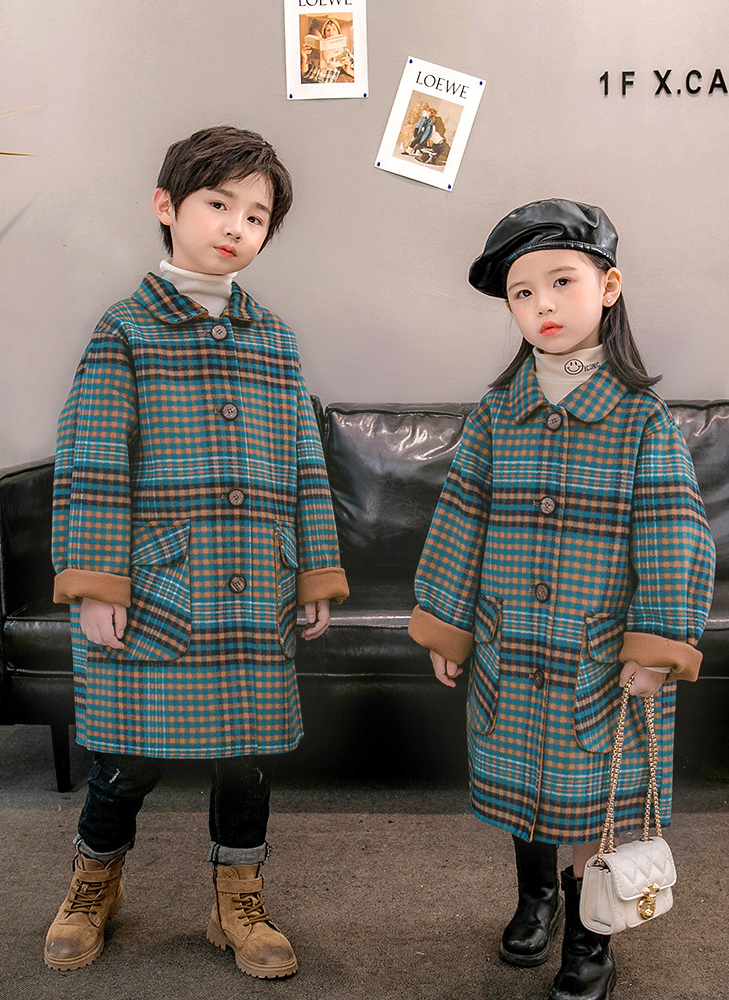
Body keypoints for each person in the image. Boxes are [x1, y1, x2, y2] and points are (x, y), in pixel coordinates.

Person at [44, 125, 349, 979]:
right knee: (126, 756)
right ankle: (94, 883)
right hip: (161, 586)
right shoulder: (126, 330)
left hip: (254, 585)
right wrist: (98, 582)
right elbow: (93, 458)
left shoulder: (273, 337)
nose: (236, 226)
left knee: (245, 756)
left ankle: (236, 900)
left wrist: (314, 569)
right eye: (219, 203)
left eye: (256, 216)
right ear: (167, 206)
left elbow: (304, 461)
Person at [408, 199, 715, 1000]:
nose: (542, 304)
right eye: (523, 292)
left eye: (561, 282)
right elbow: (460, 517)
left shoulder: (641, 419)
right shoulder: (496, 414)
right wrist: (448, 625)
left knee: (588, 801)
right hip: (509, 642)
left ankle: (590, 937)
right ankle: (535, 897)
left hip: (597, 656)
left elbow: (675, 536)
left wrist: (657, 645)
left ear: (607, 287)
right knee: (521, 780)